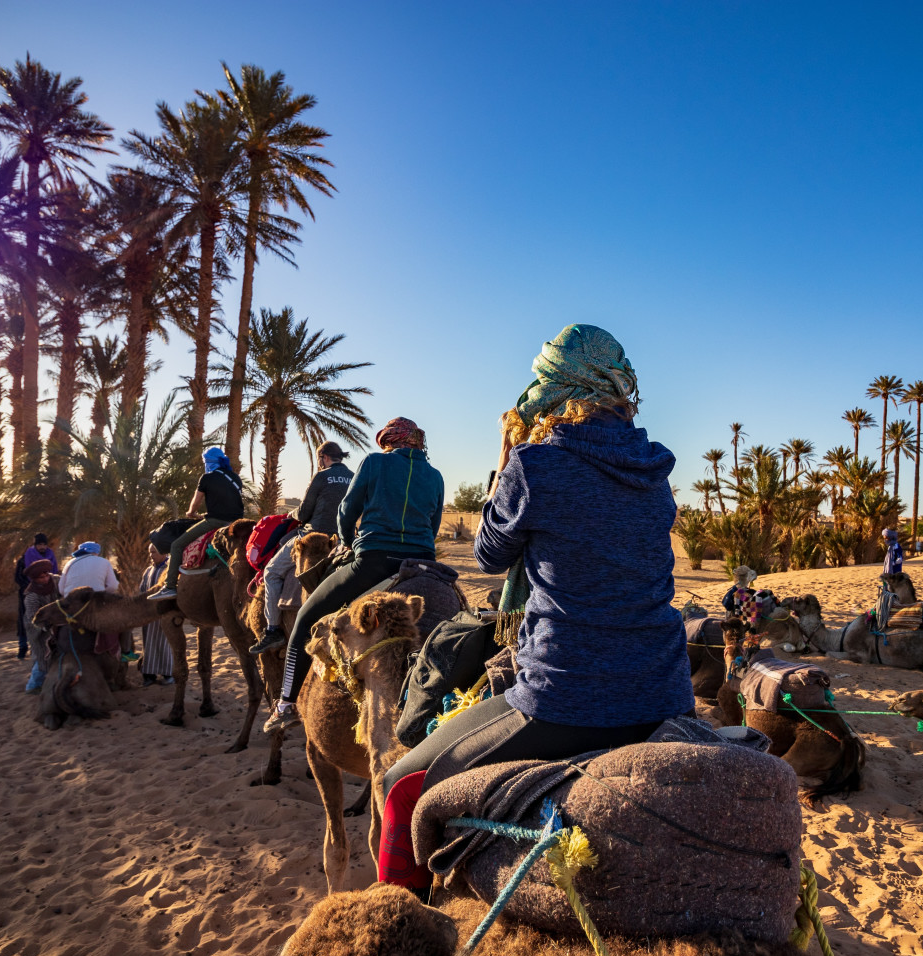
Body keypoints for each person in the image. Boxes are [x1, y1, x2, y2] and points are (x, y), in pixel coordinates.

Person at [376, 323, 689, 890]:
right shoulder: (656, 472)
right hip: (664, 691)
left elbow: (489, 555)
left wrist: (508, 458)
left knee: (400, 787)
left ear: (554, 392)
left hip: (565, 696)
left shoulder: (536, 464)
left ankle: (401, 930)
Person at [267, 417, 444, 722]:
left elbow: (347, 512)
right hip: (425, 564)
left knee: (304, 619)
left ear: (388, 442)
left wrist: (349, 542)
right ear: (417, 442)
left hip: (375, 561)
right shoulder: (436, 475)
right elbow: (434, 524)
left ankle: (285, 705)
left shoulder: (374, 463)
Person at [149, 446, 246, 601]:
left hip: (216, 521)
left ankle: (170, 587)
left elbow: (196, 502)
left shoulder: (207, 478)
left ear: (208, 462)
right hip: (237, 521)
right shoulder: (235, 478)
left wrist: (192, 513)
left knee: (176, 545)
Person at [247, 515, 306, 655]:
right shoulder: (344, 490)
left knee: (271, 573)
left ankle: (273, 629)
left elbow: (305, 510)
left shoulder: (314, 490)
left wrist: (292, 514)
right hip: (338, 537)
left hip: (310, 533)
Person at [294, 441, 353, 536]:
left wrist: (292, 514)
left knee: (282, 543)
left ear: (325, 457)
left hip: (317, 534)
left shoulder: (321, 476)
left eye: (318, 459)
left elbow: (303, 513)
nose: (319, 465)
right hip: (345, 536)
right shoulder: (354, 477)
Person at [13, 533, 56, 659]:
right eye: (39, 544)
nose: (42, 547)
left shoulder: (51, 556)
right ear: (35, 545)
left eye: (44, 544)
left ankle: (43, 648)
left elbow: (54, 573)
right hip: (29, 594)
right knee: (26, 619)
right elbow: (18, 578)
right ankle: (22, 648)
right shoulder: (25, 558)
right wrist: (34, 586)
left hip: (48, 593)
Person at [137, 544, 175, 686]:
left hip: (164, 613)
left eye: (154, 552)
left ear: (163, 553)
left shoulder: (170, 569)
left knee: (165, 644)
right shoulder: (149, 570)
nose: (151, 555)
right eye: (150, 552)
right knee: (148, 645)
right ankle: (149, 676)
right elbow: (142, 590)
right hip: (149, 615)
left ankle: (168, 675)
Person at [22, 559, 61, 692]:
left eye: (46, 576)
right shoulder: (31, 596)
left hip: (56, 623)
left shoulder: (56, 581)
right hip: (38, 628)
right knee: (42, 656)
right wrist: (48, 627)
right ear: (34, 579)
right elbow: (33, 617)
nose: (45, 579)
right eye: (41, 578)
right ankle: (33, 686)